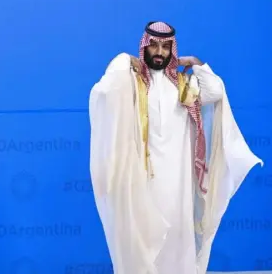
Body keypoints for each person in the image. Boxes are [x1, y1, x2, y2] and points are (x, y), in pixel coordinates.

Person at [88, 21, 263, 274]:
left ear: (172, 50)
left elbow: (215, 91)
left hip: (178, 182)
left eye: (165, 46)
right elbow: (103, 92)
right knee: (144, 241)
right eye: (154, 46)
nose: (159, 52)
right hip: (143, 180)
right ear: (144, 47)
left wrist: (195, 62)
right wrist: (124, 58)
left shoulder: (183, 86)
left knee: (177, 240)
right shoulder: (132, 85)